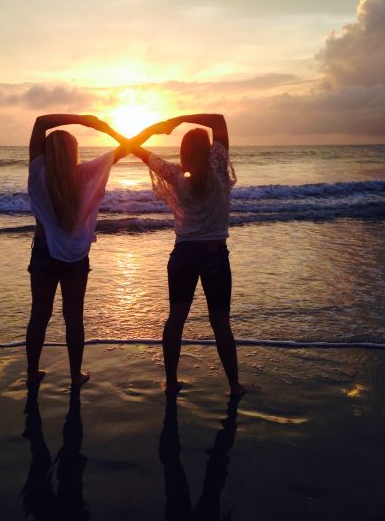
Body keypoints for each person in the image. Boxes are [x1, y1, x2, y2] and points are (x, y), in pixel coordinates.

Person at [25, 113, 155, 389]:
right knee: (74, 316)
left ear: (47, 152)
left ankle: (32, 372)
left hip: (44, 250)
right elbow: (127, 148)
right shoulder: (85, 173)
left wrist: (84, 120)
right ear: (74, 152)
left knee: (40, 314)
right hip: (75, 255)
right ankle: (74, 376)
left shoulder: (38, 173)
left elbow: (40, 122)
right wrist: (109, 130)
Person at [130, 114, 245, 396]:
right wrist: (180, 119)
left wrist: (153, 129)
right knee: (220, 323)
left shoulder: (175, 176)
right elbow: (218, 120)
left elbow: (137, 149)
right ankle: (233, 386)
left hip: (183, 255)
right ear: (209, 149)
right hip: (214, 254)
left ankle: (171, 382)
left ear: (182, 152)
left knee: (176, 319)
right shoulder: (218, 167)